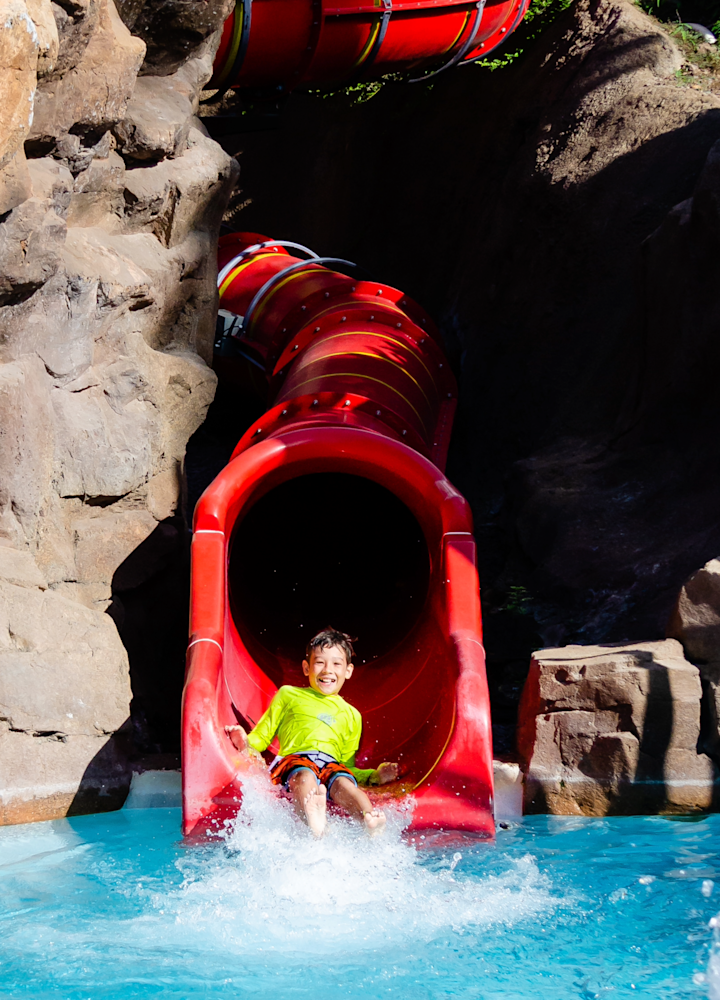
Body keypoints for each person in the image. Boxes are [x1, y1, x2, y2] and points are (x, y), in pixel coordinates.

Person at [225, 627, 399, 837]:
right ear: (307, 668)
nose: (328, 670)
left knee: (344, 783)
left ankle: (369, 820)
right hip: (296, 760)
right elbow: (262, 737)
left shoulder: (352, 715)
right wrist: (245, 742)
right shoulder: (288, 695)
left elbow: (348, 766)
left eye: (336, 663)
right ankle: (314, 821)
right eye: (320, 663)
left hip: (331, 765)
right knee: (304, 776)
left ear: (348, 671)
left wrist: (375, 776)